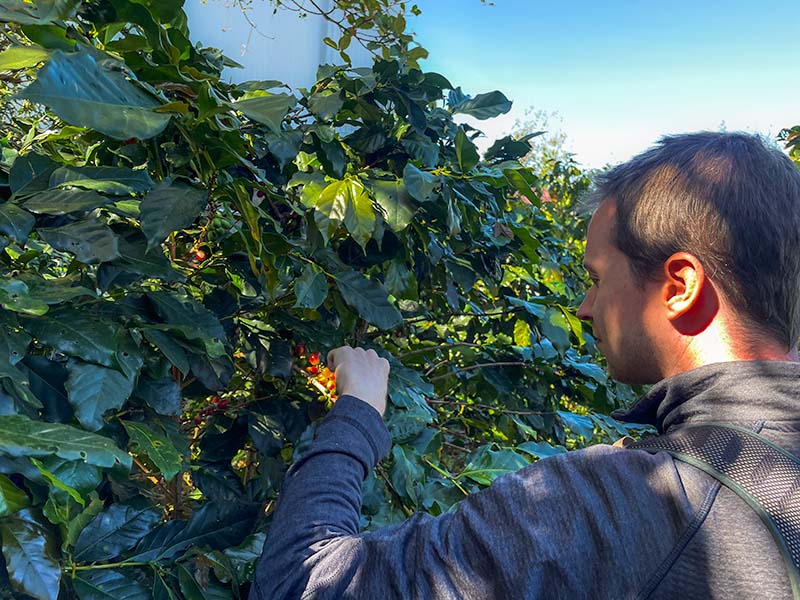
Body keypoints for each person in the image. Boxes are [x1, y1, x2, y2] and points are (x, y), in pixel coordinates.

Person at [250, 131, 800, 599]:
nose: (585, 307)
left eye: (597, 277)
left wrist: (357, 411)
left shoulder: (624, 505)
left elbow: (301, 581)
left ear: (679, 286)